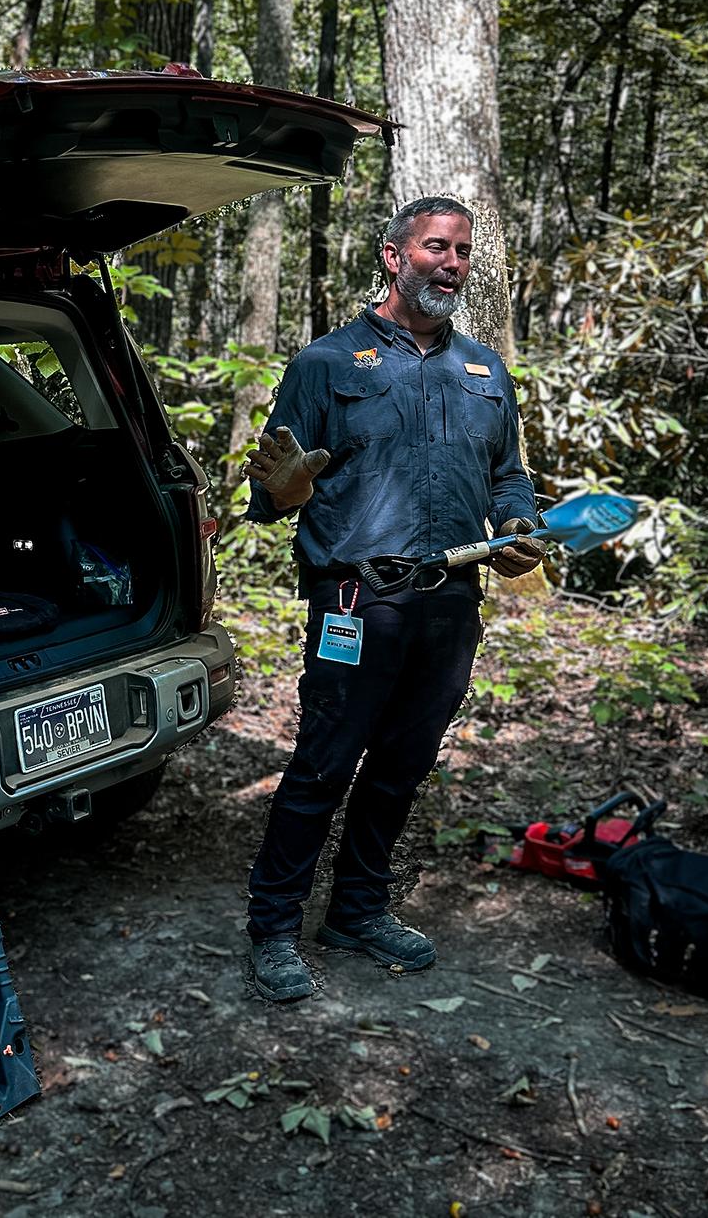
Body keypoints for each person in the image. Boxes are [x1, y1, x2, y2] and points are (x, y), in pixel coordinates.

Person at [242, 194, 546, 1002]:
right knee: (324, 763)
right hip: (357, 598)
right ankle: (273, 928)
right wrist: (283, 487)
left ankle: (357, 909)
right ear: (394, 255)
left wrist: (518, 520)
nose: (451, 263)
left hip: (451, 603)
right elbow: (270, 491)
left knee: (403, 765)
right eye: (436, 247)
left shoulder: (483, 370)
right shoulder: (327, 364)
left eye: (462, 251)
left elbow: (508, 474)